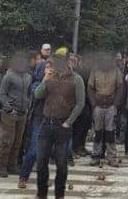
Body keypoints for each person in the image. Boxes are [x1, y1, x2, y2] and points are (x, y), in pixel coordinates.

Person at [34, 47, 85, 199]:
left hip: (63, 126)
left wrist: (68, 123)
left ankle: (59, 194)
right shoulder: (50, 75)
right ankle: (41, 193)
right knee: (41, 161)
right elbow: (37, 95)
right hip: (46, 124)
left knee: (62, 164)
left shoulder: (76, 79)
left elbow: (80, 103)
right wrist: (45, 79)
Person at [18, 44, 52, 189]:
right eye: (46, 68)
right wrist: (45, 80)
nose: (49, 71)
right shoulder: (36, 83)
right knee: (33, 150)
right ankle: (23, 177)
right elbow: (37, 94)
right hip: (39, 119)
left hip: (51, 119)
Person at [0, 52, 32, 177]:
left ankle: (12, 165)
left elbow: (29, 93)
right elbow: (2, 94)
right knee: (8, 141)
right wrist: (8, 107)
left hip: (23, 113)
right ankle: (1, 166)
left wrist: (28, 106)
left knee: (18, 141)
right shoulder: (9, 76)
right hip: (10, 113)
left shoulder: (28, 77)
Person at [87, 55, 124, 167]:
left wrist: (116, 105)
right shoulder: (95, 71)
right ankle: (96, 156)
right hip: (98, 106)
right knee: (97, 132)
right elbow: (90, 88)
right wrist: (93, 104)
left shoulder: (116, 71)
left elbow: (120, 88)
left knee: (110, 132)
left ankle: (111, 157)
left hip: (110, 106)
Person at [70, 53, 92, 158]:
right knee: (78, 128)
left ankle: (80, 147)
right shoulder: (74, 74)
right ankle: (75, 148)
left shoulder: (81, 72)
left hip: (85, 103)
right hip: (78, 104)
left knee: (83, 127)